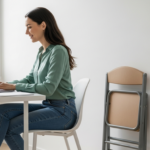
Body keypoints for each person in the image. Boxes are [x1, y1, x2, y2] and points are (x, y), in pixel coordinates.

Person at [0, 7, 77, 150]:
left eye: (29, 27)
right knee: (1, 111)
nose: (26, 32)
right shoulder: (41, 52)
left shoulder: (58, 51)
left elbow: (48, 88)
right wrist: (6, 84)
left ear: (43, 25)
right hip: (48, 105)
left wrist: (15, 87)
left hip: (63, 111)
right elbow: (30, 79)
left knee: (10, 128)